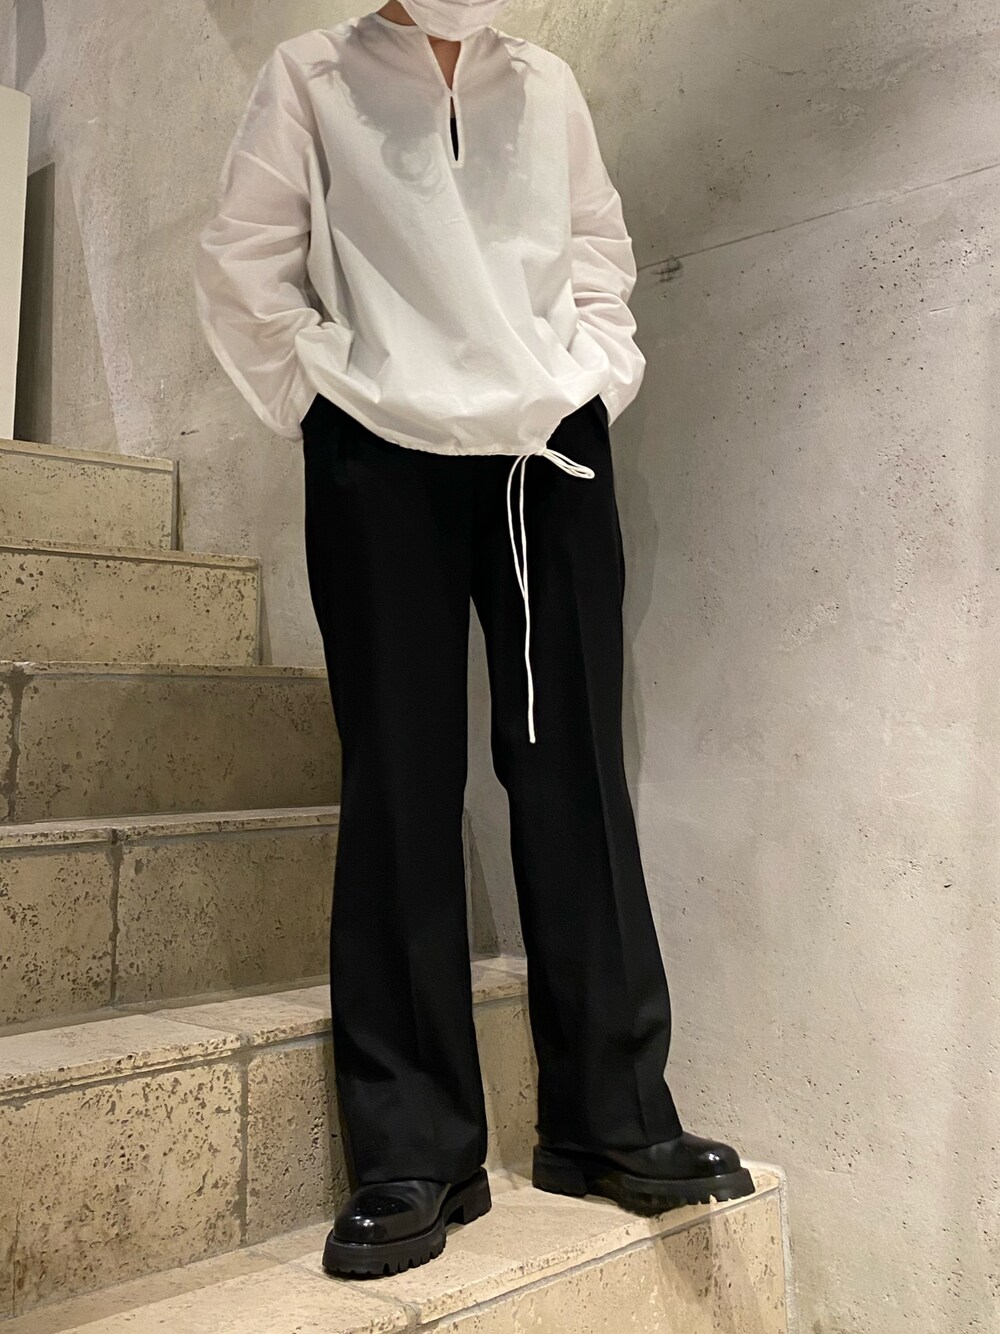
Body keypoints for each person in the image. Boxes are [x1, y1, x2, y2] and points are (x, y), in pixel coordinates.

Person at [193, 0, 754, 1281]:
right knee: (399, 779)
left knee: (576, 774)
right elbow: (243, 262)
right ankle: (414, 1147)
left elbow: (598, 251)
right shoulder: (310, 75)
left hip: (547, 451)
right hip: (376, 449)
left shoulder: (545, 85)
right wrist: (326, 399)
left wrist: (591, 378)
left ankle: (610, 1114)